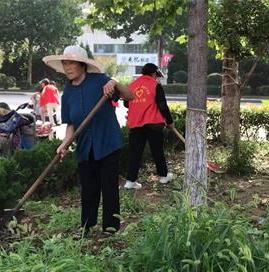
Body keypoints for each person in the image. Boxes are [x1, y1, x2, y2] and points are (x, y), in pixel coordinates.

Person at [43, 45, 134, 236]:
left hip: (107, 143)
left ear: (82, 65)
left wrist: (115, 83)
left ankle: (110, 228)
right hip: (85, 147)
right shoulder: (67, 93)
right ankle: (87, 226)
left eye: (71, 63)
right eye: (65, 63)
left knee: (109, 188)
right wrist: (64, 144)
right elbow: (70, 125)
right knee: (88, 189)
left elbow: (129, 95)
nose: (67, 67)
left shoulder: (100, 81)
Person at [123, 63, 175, 190]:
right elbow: (162, 105)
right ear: (153, 74)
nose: (157, 78)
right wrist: (169, 121)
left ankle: (130, 181)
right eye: (156, 75)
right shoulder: (155, 85)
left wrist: (139, 106)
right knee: (157, 150)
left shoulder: (133, 85)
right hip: (153, 123)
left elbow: (126, 103)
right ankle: (163, 176)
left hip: (136, 124)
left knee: (135, 153)